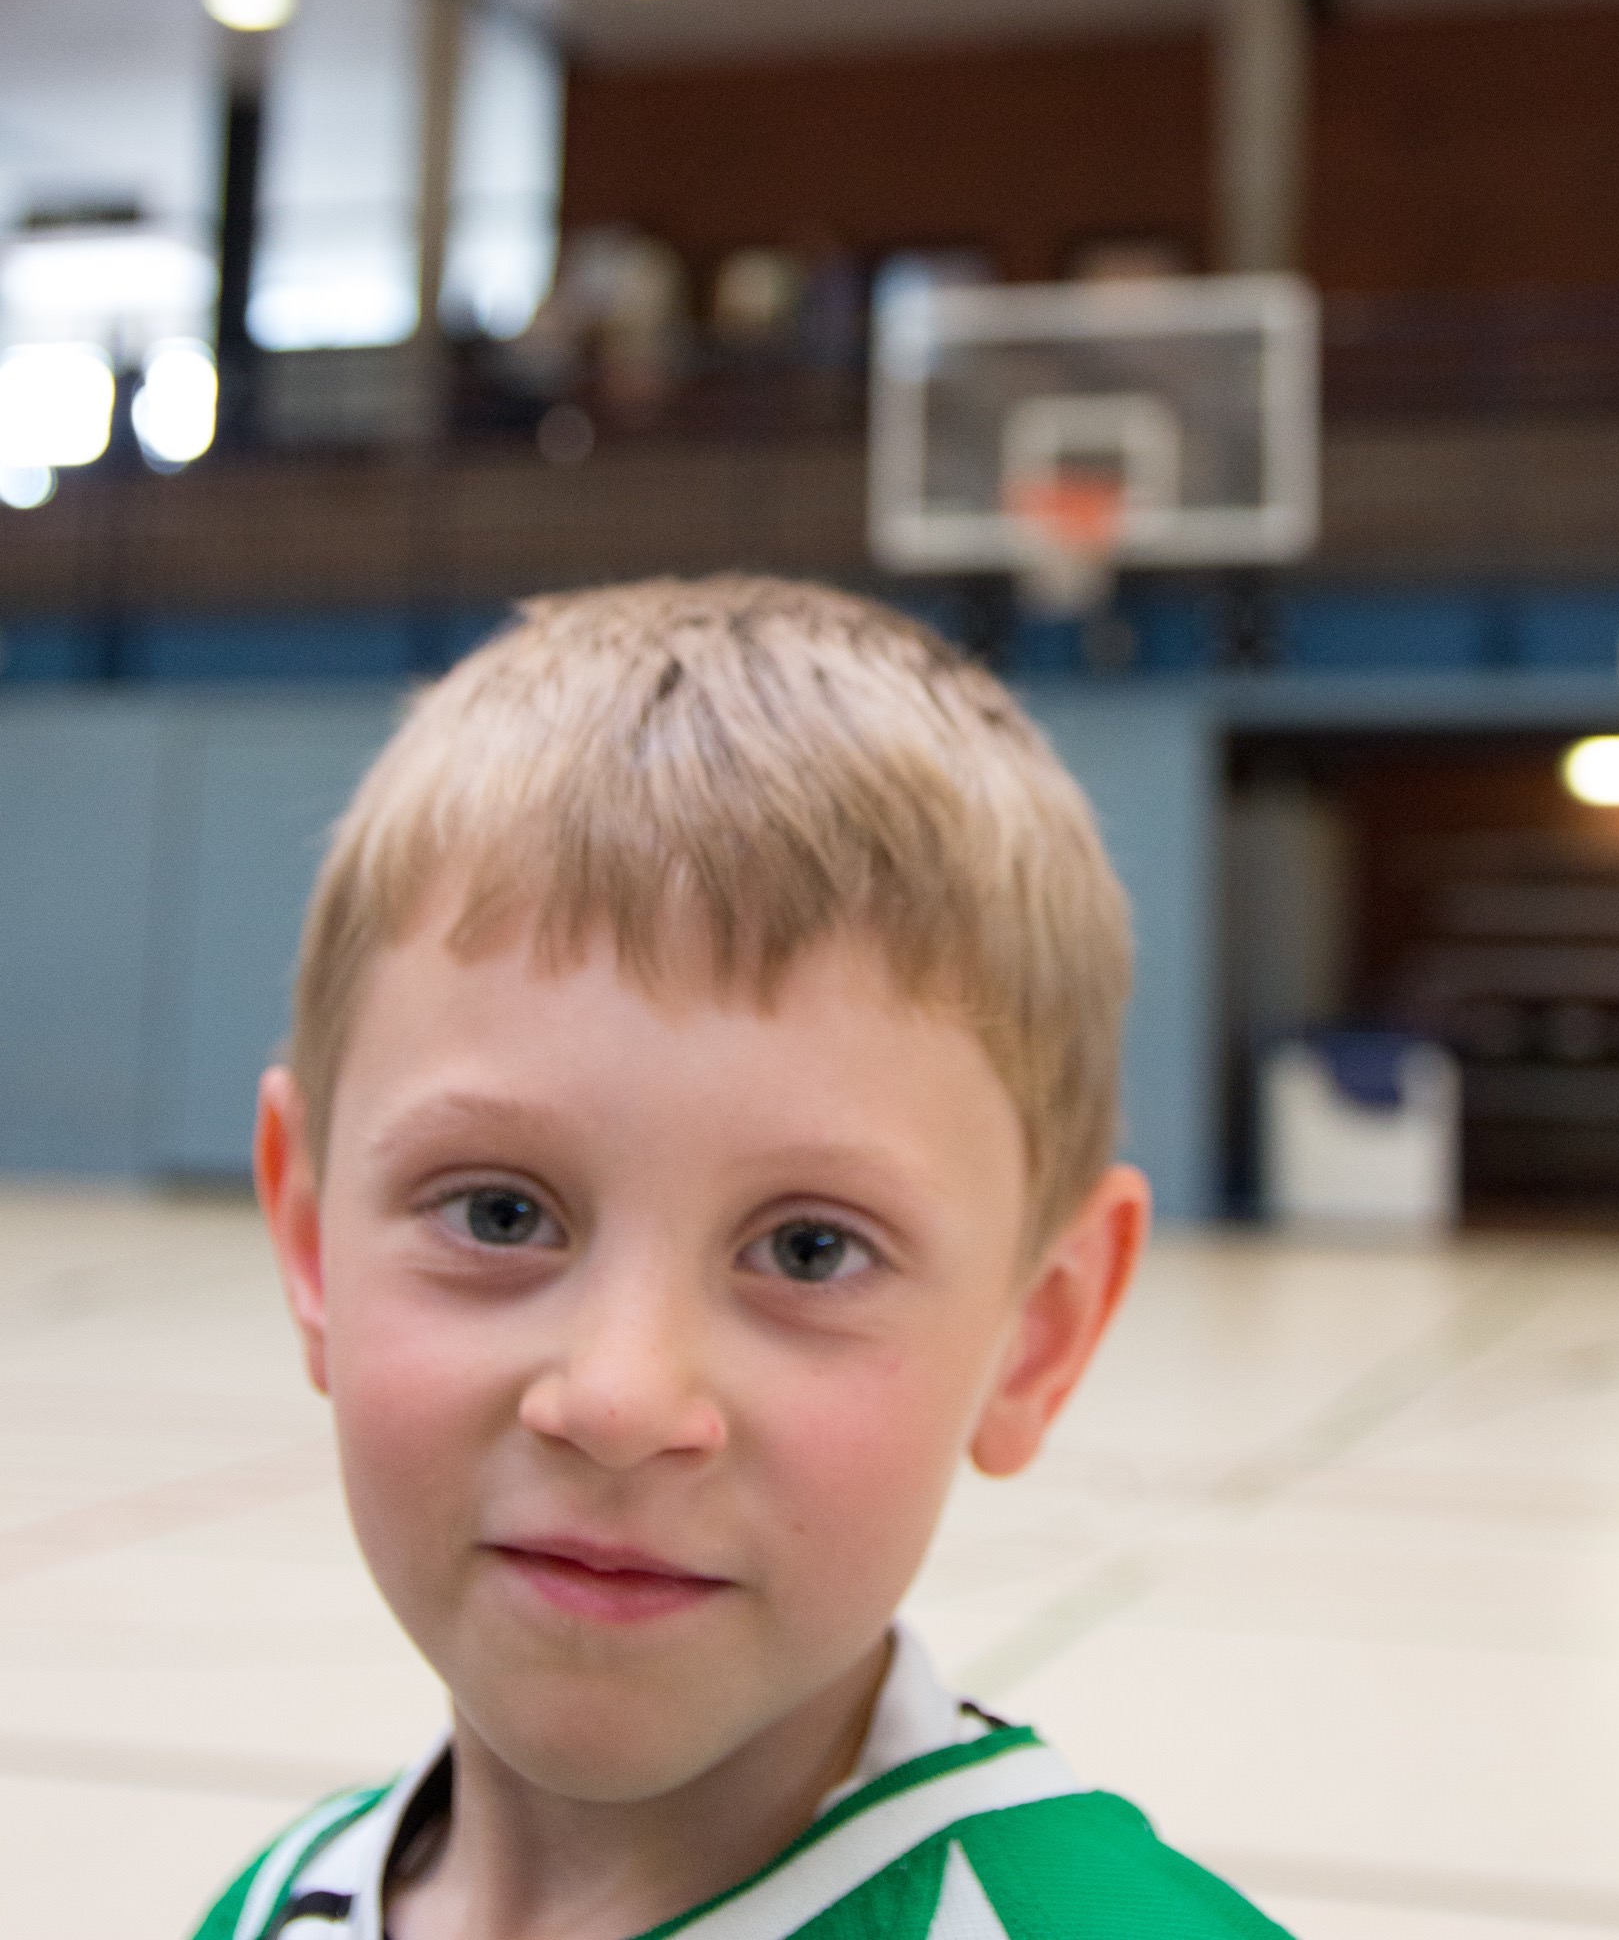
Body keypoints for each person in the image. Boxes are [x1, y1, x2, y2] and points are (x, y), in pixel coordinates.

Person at [190, 576, 1283, 1940]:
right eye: (499, 1215)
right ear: (308, 1238)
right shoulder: (270, 1907)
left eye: (811, 1250)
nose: (619, 1401)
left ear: (1038, 1336)